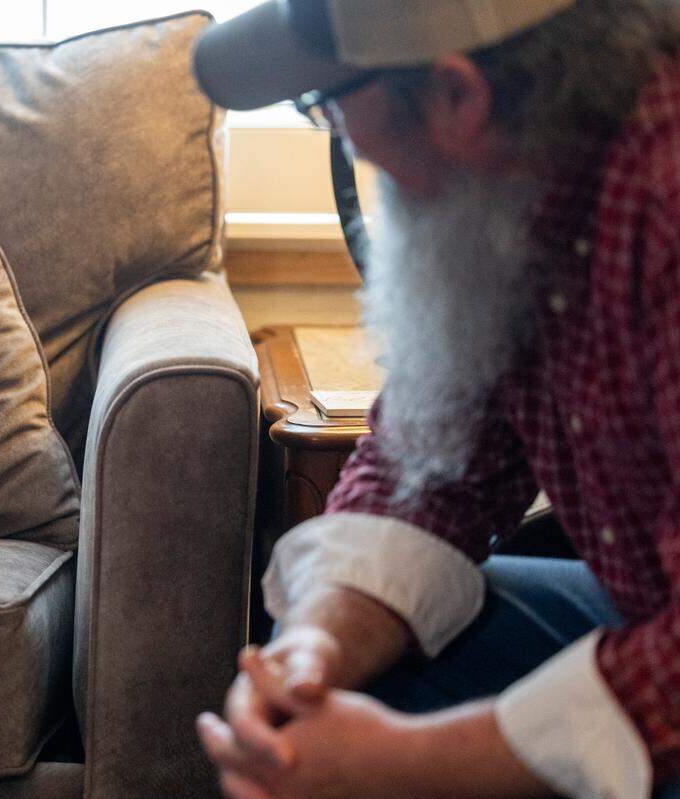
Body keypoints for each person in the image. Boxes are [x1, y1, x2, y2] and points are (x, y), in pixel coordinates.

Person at [192, 1, 680, 798]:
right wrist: (315, 647)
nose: (340, 135)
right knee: (332, 679)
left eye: (328, 104)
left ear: (459, 96)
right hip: (644, 608)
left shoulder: (665, 193)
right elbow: (430, 467)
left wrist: (407, 762)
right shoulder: (524, 186)